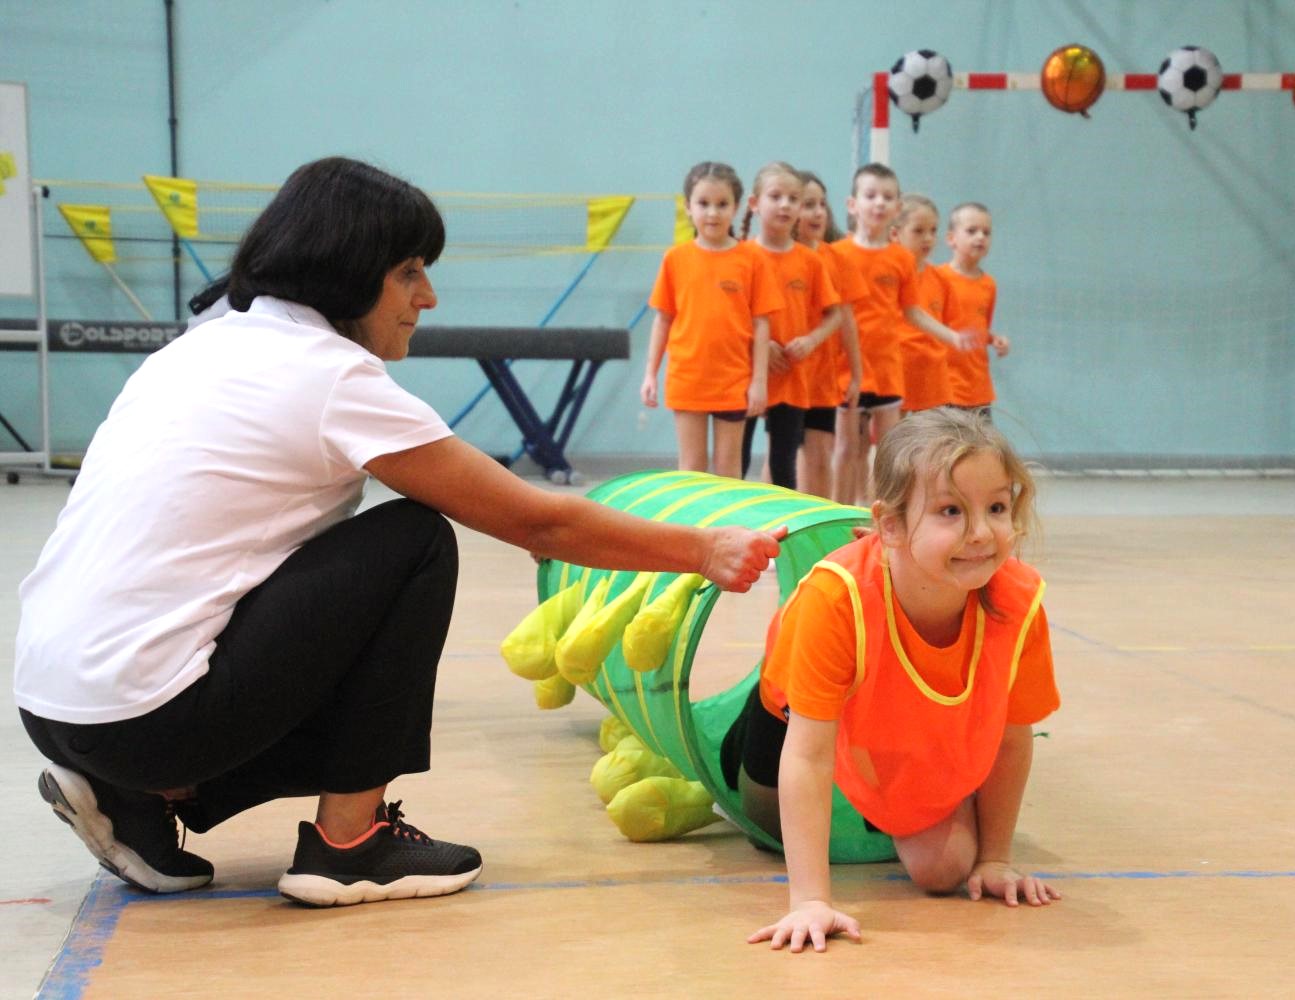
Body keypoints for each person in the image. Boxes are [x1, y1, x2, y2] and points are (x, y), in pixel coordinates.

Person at [13, 157, 783, 908]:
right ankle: (349, 844)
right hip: (148, 714)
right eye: (410, 271)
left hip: (52, 706)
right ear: (350, 270)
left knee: (324, 574)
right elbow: (533, 519)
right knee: (415, 540)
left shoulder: (202, 344)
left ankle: (142, 798)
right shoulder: (330, 375)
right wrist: (703, 548)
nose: (430, 296)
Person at [720, 407, 1061, 953]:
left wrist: (996, 857)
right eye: (951, 511)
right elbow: (807, 756)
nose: (981, 533)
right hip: (792, 718)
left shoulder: (1017, 601)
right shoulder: (836, 598)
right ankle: (748, 740)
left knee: (944, 871)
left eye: (997, 507)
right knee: (764, 823)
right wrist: (810, 899)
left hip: (891, 721)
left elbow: (1012, 734)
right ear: (891, 525)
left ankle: (893, 787)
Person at [829, 164, 975, 505]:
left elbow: (912, 311)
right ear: (853, 204)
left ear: (896, 208)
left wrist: (951, 337)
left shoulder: (900, 259)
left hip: (887, 368)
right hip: (846, 368)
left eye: (887, 197)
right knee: (848, 447)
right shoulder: (837, 255)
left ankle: (884, 514)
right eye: (871, 195)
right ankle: (838, 511)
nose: (879, 203)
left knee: (891, 448)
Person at [641, 162, 782, 479]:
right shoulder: (675, 259)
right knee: (691, 468)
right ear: (688, 207)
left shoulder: (751, 260)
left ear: (736, 208)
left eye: (722, 204)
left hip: (733, 379)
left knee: (728, 470)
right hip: (688, 377)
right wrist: (650, 374)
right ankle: (691, 530)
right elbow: (662, 320)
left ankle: (726, 530)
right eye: (703, 204)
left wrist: (759, 381)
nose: (713, 213)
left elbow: (761, 325)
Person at [737, 162, 844, 489]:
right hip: (746, 372)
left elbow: (836, 313)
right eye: (776, 196)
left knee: (784, 464)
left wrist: (812, 340)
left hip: (792, 375)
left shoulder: (810, 261)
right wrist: (761, 344)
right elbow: (732, 314)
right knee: (736, 459)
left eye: (793, 198)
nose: (785, 205)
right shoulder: (741, 256)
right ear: (755, 204)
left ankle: (784, 535)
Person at [792, 171, 863, 500]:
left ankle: (817, 531)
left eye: (822, 204)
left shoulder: (836, 258)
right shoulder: (776, 257)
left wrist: (856, 373)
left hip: (822, 375)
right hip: (788, 374)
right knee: (788, 457)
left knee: (821, 455)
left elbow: (846, 319)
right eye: (809, 205)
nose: (818, 212)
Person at [939, 202, 1010, 416]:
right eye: (971, 231)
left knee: (980, 446)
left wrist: (993, 339)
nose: (980, 237)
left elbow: (978, 327)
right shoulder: (938, 278)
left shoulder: (989, 284)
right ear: (951, 238)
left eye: (986, 232)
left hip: (978, 387)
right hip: (945, 387)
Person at [890, 195, 953, 414]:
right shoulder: (889, 276)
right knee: (895, 441)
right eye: (918, 231)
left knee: (930, 441)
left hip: (931, 376)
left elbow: (945, 325)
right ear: (895, 234)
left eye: (933, 231)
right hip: (898, 372)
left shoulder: (940, 278)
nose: (927, 238)